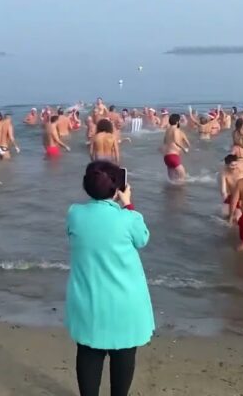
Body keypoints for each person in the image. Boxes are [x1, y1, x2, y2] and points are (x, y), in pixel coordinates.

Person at [66, 161, 153, 396]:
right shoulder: (129, 218)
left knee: (88, 353)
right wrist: (127, 203)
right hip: (124, 303)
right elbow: (142, 239)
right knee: (124, 355)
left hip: (88, 301)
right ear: (116, 188)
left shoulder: (75, 214)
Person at [161, 114, 190, 183]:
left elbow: (164, 142)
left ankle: (171, 192)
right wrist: (184, 149)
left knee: (172, 180)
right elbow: (176, 141)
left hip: (166, 157)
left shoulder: (167, 130)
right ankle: (181, 192)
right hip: (173, 156)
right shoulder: (176, 129)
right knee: (183, 177)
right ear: (177, 122)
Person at [220, 154, 243, 223]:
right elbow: (223, 189)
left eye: (235, 164)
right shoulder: (224, 172)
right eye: (232, 165)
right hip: (231, 196)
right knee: (224, 216)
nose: (234, 167)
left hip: (242, 197)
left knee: (237, 219)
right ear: (227, 165)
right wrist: (224, 195)